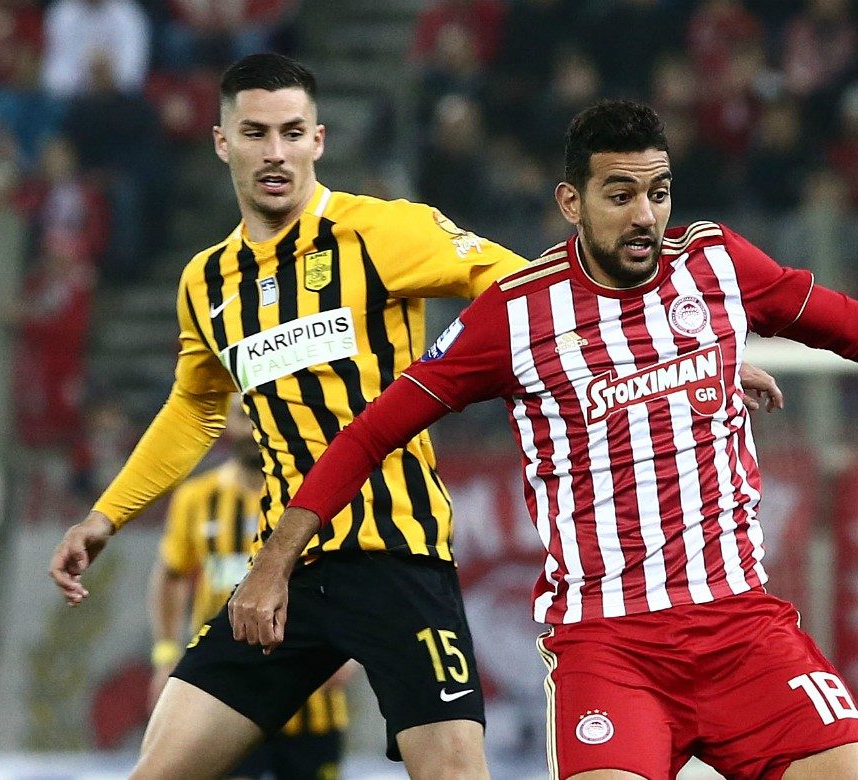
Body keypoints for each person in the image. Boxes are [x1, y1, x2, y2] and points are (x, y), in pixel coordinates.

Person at [257, 100, 858, 779]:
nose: (644, 215)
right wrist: (274, 563)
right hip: (608, 641)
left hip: (740, 627)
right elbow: (371, 432)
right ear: (571, 202)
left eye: (658, 192)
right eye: (619, 195)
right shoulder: (515, 317)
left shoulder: (717, 267)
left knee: (852, 770)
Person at [45, 55, 779, 780]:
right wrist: (105, 517)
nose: (275, 152)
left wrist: (669, 343)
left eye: (292, 132)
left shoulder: (383, 232)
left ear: (318, 140)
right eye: (256, 132)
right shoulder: (206, 281)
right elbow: (194, 409)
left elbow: (528, 292)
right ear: (222, 142)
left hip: (397, 557)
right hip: (286, 569)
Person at [149, 406, 349, 780]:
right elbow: (171, 574)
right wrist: (165, 654)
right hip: (224, 696)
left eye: (264, 413)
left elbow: (353, 577)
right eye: (244, 415)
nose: (255, 426)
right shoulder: (197, 497)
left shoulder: (322, 495)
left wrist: (349, 655)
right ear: (225, 421)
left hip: (312, 702)